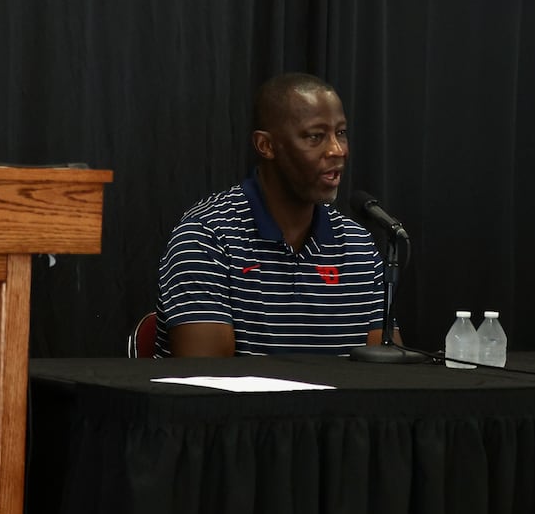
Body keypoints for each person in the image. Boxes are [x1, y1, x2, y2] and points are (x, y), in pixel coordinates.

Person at [155, 73, 390, 356]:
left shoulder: (359, 246)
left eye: (340, 133)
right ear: (266, 146)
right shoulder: (207, 238)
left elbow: (386, 380)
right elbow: (205, 384)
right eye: (315, 136)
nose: (337, 150)